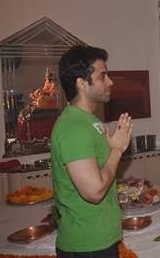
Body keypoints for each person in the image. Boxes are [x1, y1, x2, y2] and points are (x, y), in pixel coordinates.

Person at [51, 45, 132, 257]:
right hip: (87, 246)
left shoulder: (89, 120)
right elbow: (94, 192)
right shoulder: (74, 128)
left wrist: (111, 148)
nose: (110, 82)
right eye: (102, 76)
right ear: (81, 84)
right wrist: (116, 150)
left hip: (99, 240)